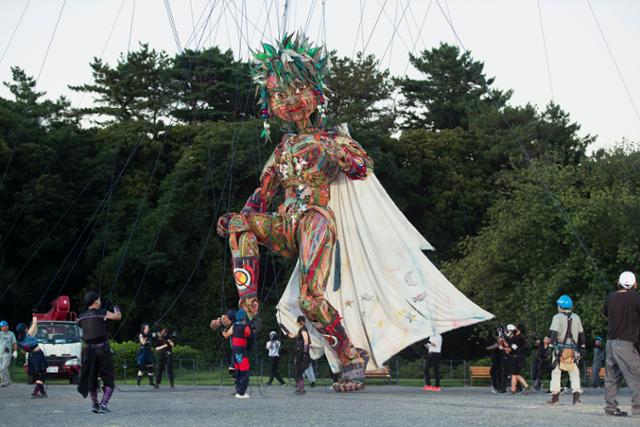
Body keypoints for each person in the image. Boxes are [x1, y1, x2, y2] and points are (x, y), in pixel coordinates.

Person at [212, 33, 373, 391]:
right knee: (241, 222)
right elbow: (262, 193)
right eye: (279, 95)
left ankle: (349, 356)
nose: (290, 101)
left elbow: (362, 167)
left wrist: (339, 155)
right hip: (285, 222)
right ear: (270, 103)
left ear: (316, 93)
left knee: (310, 300)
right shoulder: (282, 149)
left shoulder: (331, 138)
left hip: (314, 218)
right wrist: (237, 218)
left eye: (297, 90)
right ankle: (248, 304)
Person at [76, 291, 121, 413]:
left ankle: (95, 404)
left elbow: (81, 326)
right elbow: (118, 316)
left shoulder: (81, 316)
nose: (101, 302)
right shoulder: (103, 313)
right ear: (95, 302)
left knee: (92, 377)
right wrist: (116, 307)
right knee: (109, 377)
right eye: (99, 300)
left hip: (89, 351)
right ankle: (103, 404)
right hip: (102, 350)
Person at [602, 271, 640, 417]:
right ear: (635, 284)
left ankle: (610, 408)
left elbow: (605, 314)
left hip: (610, 342)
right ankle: (638, 409)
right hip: (626, 343)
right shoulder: (637, 298)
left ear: (618, 283)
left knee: (611, 377)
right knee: (636, 376)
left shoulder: (610, 297)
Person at [547, 295, 585, 405]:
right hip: (573, 350)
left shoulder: (557, 317)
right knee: (574, 373)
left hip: (559, 350)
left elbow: (553, 334)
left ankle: (555, 399)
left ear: (560, 306)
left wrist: (549, 347)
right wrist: (582, 347)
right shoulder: (577, 317)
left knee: (556, 373)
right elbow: (582, 334)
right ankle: (576, 398)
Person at [222, 309, 254, 399]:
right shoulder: (245, 327)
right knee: (244, 371)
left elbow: (226, 334)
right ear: (244, 317)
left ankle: (239, 391)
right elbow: (250, 336)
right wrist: (251, 327)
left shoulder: (234, 326)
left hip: (235, 352)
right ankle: (241, 393)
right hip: (241, 352)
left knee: (239, 371)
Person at [16, 314, 47, 398]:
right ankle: (39, 393)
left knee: (38, 375)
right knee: (41, 374)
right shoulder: (29, 334)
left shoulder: (19, 340)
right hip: (38, 355)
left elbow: (23, 351)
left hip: (31, 357)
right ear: (25, 329)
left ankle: (38, 393)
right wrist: (34, 315)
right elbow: (34, 323)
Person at [282, 315, 311, 395]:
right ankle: (300, 389)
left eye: (298, 322)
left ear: (300, 322)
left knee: (298, 370)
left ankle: (301, 389)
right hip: (299, 352)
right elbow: (293, 336)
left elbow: (306, 341)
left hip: (301, 353)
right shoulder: (301, 330)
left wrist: (305, 353)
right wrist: (285, 330)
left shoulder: (303, 330)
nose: (297, 324)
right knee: (298, 371)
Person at [506, 324, 530, 394]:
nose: (514, 329)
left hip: (516, 358)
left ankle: (523, 386)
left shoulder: (517, 338)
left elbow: (513, 348)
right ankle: (514, 389)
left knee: (515, 373)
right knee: (515, 373)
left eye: (515, 328)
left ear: (518, 330)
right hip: (517, 357)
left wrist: (507, 349)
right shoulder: (519, 337)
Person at [0, 320, 18, 387]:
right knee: (1, 369)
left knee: (3, 368)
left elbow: (14, 343)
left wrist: (15, 351)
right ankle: (6, 381)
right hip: (0, 354)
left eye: (4, 326)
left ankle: (6, 381)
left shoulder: (11, 334)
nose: (3, 328)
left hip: (7, 355)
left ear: (7, 326)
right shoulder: (0, 333)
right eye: (2, 327)